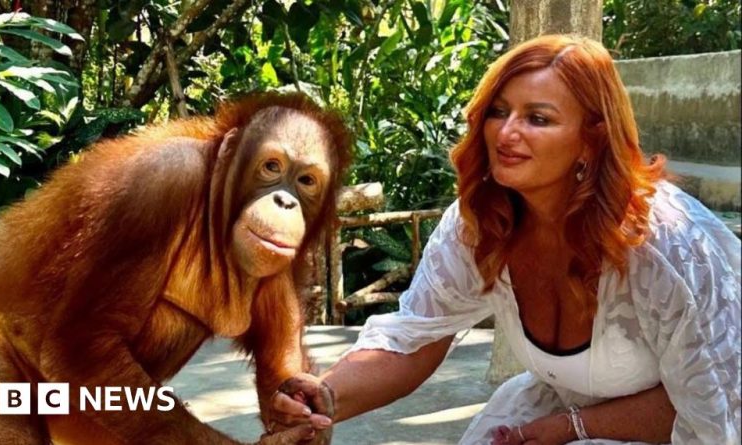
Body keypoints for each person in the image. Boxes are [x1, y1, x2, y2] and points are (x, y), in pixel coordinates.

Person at [270, 34, 741, 445]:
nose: (507, 132)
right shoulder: (482, 221)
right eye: (499, 111)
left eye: (538, 118)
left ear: (591, 140)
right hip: (556, 417)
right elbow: (416, 339)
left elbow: (716, 409)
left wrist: (569, 428)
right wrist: (326, 395)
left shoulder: (668, 248)